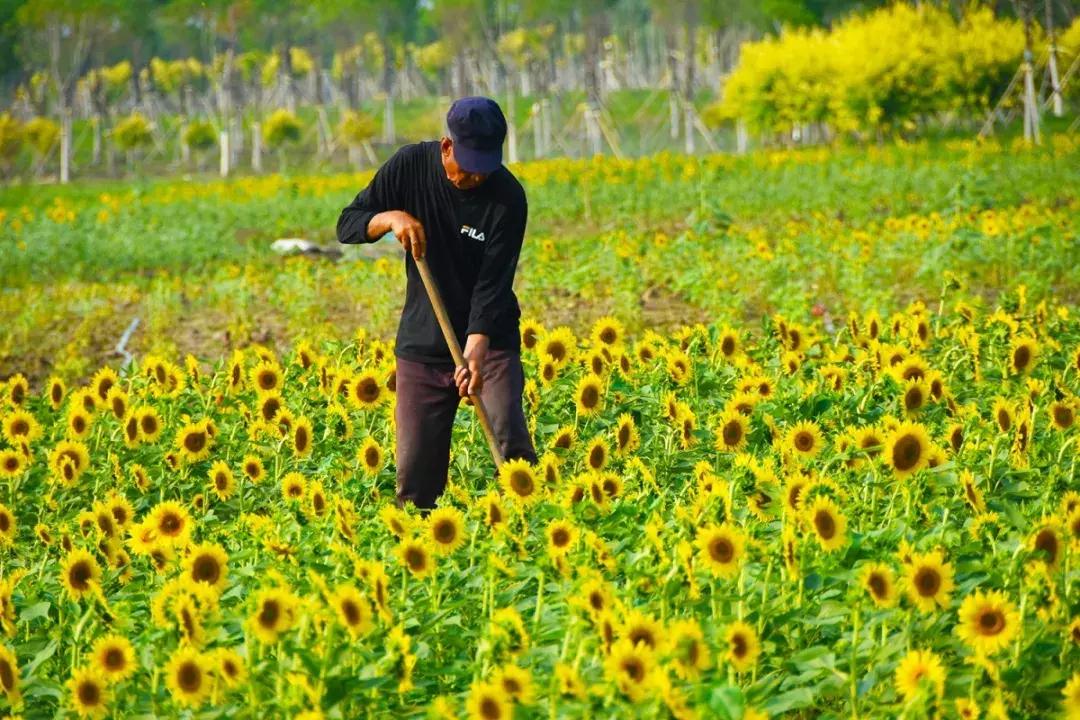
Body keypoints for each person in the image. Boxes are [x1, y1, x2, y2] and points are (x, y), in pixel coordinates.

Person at [336, 96, 538, 511]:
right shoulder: (408, 167)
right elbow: (348, 223)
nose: (476, 178)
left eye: (485, 168)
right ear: (447, 147)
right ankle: (422, 551)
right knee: (415, 477)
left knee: (509, 437)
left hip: (491, 340)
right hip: (424, 341)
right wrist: (390, 218)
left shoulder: (508, 198)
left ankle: (533, 520)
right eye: (467, 167)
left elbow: (493, 284)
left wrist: (476, 350)